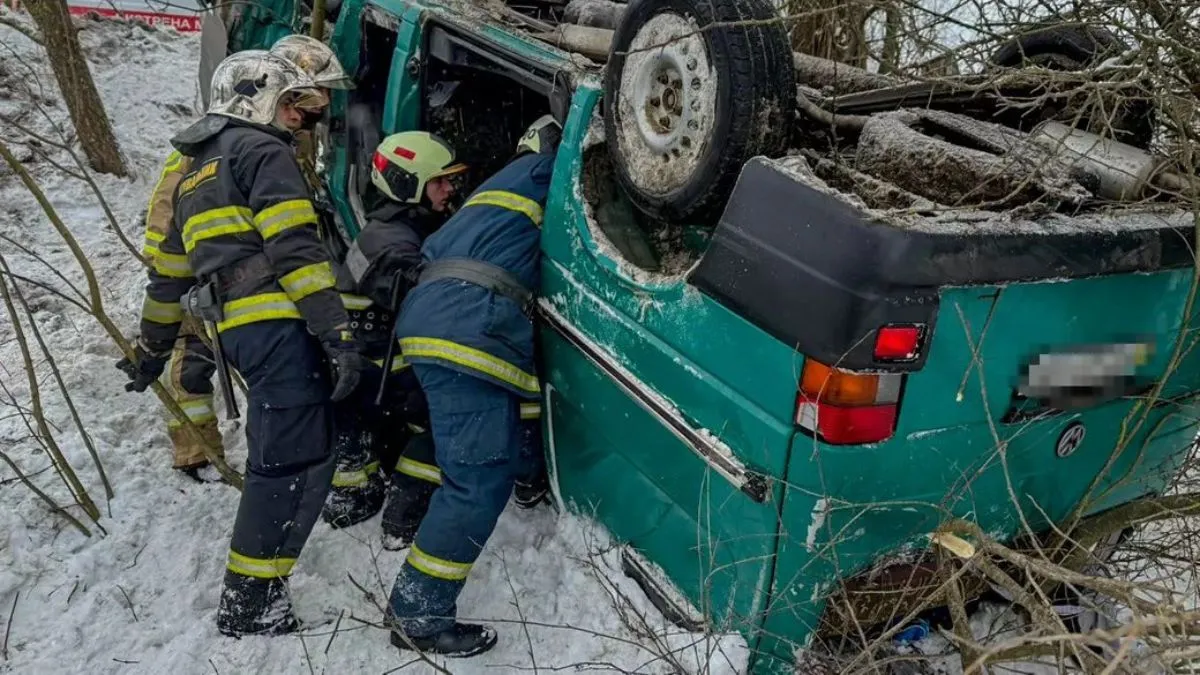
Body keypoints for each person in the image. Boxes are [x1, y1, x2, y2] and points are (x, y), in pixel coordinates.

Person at [119, 50, 367, 636]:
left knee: (285, 450)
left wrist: (152, 350)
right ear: (252, 98)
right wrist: (336, 331)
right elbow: (296, 251)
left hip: (238, 335)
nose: (299, 118)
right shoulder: (262, 151)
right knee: (291, 462)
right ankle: (250, 603)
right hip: (280, 326)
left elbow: (167, 278)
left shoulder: (193, 176)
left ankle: (253, 594)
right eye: (289, 103)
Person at [125, 35, 353, 481]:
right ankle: (196, 452)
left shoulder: (241, 145)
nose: (310, 111)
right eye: (303, 99)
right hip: (201, 271)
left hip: (208, 273)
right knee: (192, 362)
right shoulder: (233, 150)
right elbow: (175, 237)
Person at [384, 115, 561, 657]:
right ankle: (417, 613)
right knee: (477, 479)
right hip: (468, 325)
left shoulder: (490, 196)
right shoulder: (542, 171)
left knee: (482, 436)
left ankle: (416, 525)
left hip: (434, 319)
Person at [321, 130, 466, 529]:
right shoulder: (389, 245)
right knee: (454, 416)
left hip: (376, 360)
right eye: (439, 181)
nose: (449, 188)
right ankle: (404, 515)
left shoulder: (397, 229)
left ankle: (367, 485)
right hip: (379, 364)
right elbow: (431, 303)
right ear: (408, 184)